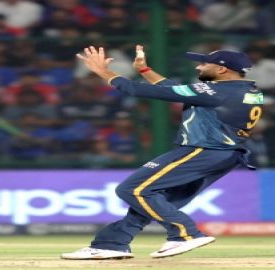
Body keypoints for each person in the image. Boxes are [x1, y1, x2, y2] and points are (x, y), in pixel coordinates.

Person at [61, 45, 263, 259]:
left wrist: (102, 71)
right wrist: (145, 71)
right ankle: (111, 243)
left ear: (223, 69)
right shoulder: (242, 90)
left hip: (204, 150)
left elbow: (138, 90)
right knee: (155, 200)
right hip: (224, 155)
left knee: (133, 190)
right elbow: (174, 89)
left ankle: (186, 235)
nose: (199, 66)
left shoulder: (217, 92)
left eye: (204, 63)